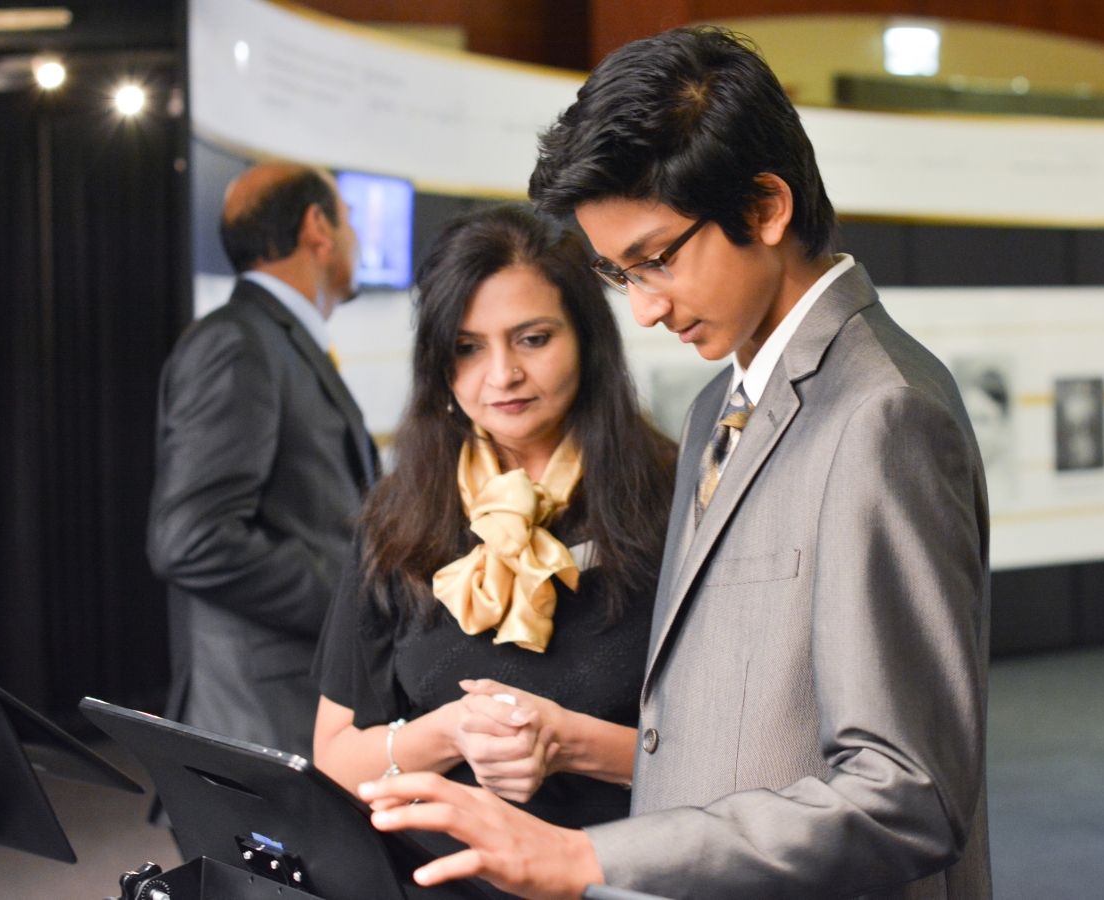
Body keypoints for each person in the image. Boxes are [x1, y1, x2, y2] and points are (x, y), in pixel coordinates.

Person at [358, 27, 993, 900]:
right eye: (622, 275)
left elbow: (908, 795)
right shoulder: (713, 407)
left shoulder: (885, 415)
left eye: (657, 259)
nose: (647, 310)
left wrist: (586, 858)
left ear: (767, 207)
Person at [312, 206, 676, 831]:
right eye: (467, 348)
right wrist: (450, 732)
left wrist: (569, 745)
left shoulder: (676, 501)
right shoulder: (400, 517)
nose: (502, 374)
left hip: (621, 873)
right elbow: (335, 757)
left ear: (588, 340)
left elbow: (741, 762)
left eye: (533, 338)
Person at [147, 163, 377, 760]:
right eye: (349, 220)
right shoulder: (237, 343)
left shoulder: (271, 339)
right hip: (259, 720)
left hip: (289, 709)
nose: (356, 238)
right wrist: (357, 601)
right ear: (317, 228)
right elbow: (191, 538)